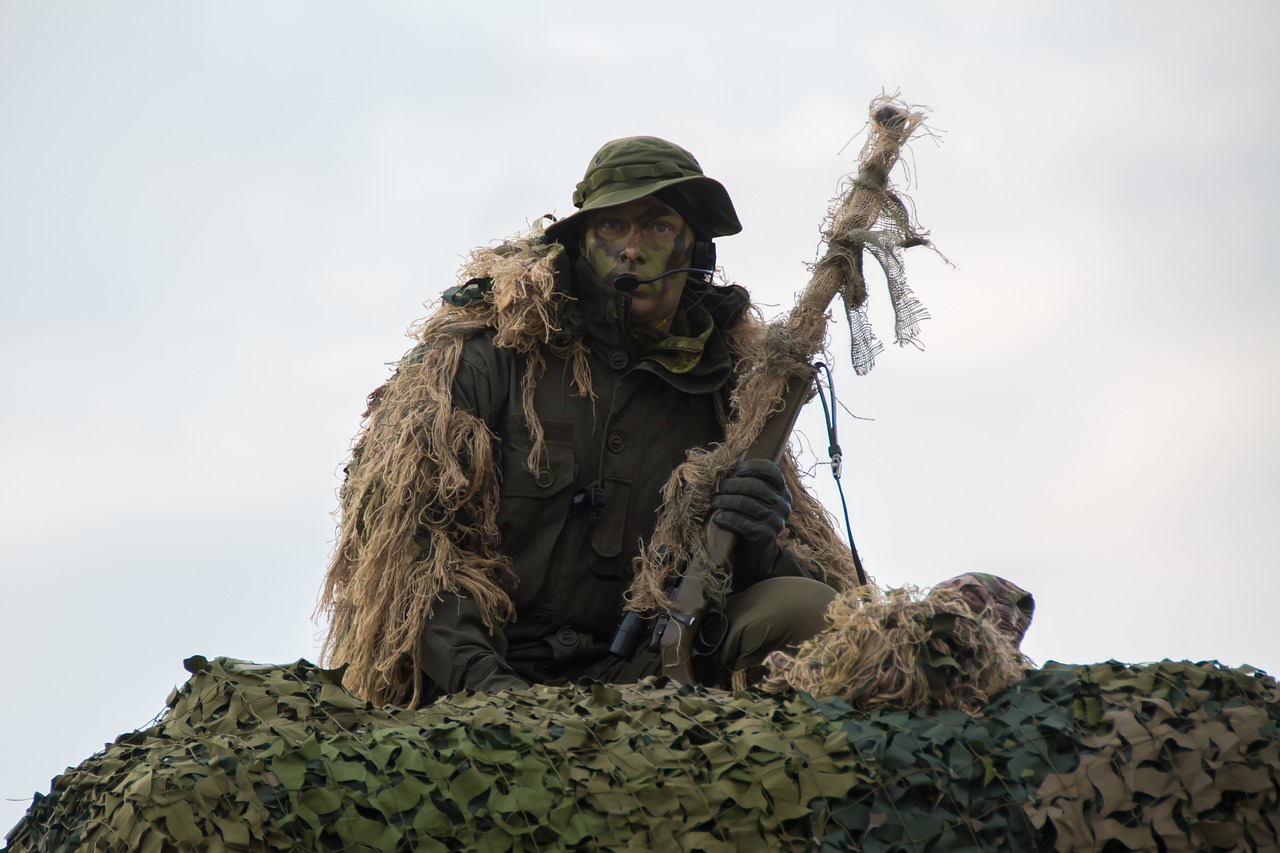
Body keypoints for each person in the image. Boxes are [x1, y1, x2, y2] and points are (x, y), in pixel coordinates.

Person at [319, 137, 862, 706]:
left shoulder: (731, 390)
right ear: (580, 243)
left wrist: (756, 545)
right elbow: (411, 551)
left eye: (658, 227)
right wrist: (496, 696)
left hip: (649, 670)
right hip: (484, 678)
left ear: (696, 250)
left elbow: (786, 576)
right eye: (611, 227)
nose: (631, 249)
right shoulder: (486, 358)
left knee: (810, 611)